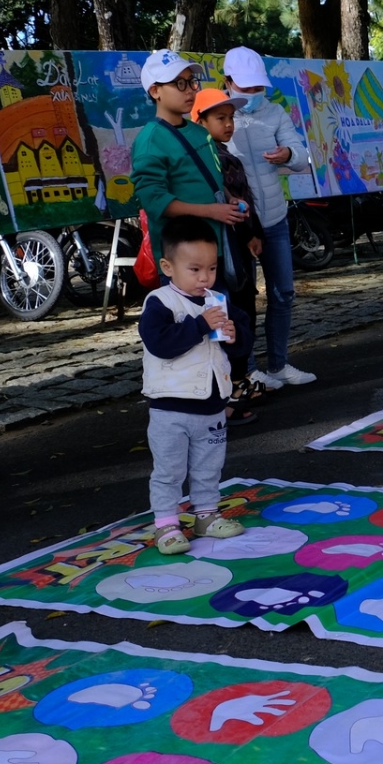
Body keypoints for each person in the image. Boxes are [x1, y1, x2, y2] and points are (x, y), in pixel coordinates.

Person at [139, 217, 249, 555]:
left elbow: (240, 344)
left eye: (212, 268)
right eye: (195, 269)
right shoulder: (159, 302)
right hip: (171, 408)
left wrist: (234, 335)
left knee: (208, 466)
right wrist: (199, 325)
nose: (205, 278)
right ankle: (167, 525)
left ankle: (206, 515)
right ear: (168, 267)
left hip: (212, 405)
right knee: (170, 470)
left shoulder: (218, 300)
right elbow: (160, 343)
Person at [221, 46, 316, 390]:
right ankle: (247, 369)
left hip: (274, 217)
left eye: (257, 87)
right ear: (228, 82)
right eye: (245, 88)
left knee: (283, 292)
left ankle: (278, 364)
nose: (252, 94)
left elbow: (303, 157)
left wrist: (288, 154)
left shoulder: (274, 112)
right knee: (241, 298)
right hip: (237, 224)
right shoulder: (218, 113)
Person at [132, 51, 249, 285]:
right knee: (192, 320)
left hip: (214, 251)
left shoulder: (200, 132)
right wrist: (212, 211)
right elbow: (155, 201)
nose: (190, 90)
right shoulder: (150, 140)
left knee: (222, 318)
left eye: (191, 82)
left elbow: (212, 178)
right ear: (155, 91)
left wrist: (228, 199)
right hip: (182, 260)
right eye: (179, 83)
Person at [187, 87, 261, 427]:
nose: (229, 124)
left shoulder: (222, 155)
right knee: (231, 317)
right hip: (221, 250)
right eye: (220, 118)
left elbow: (240, 203)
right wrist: (247, 232)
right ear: (199, 120)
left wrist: (251, 233)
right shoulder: (208, 157)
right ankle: (229, 393)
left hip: (236, 248)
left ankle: (237, 386)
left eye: (231, 117)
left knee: (240, 314)